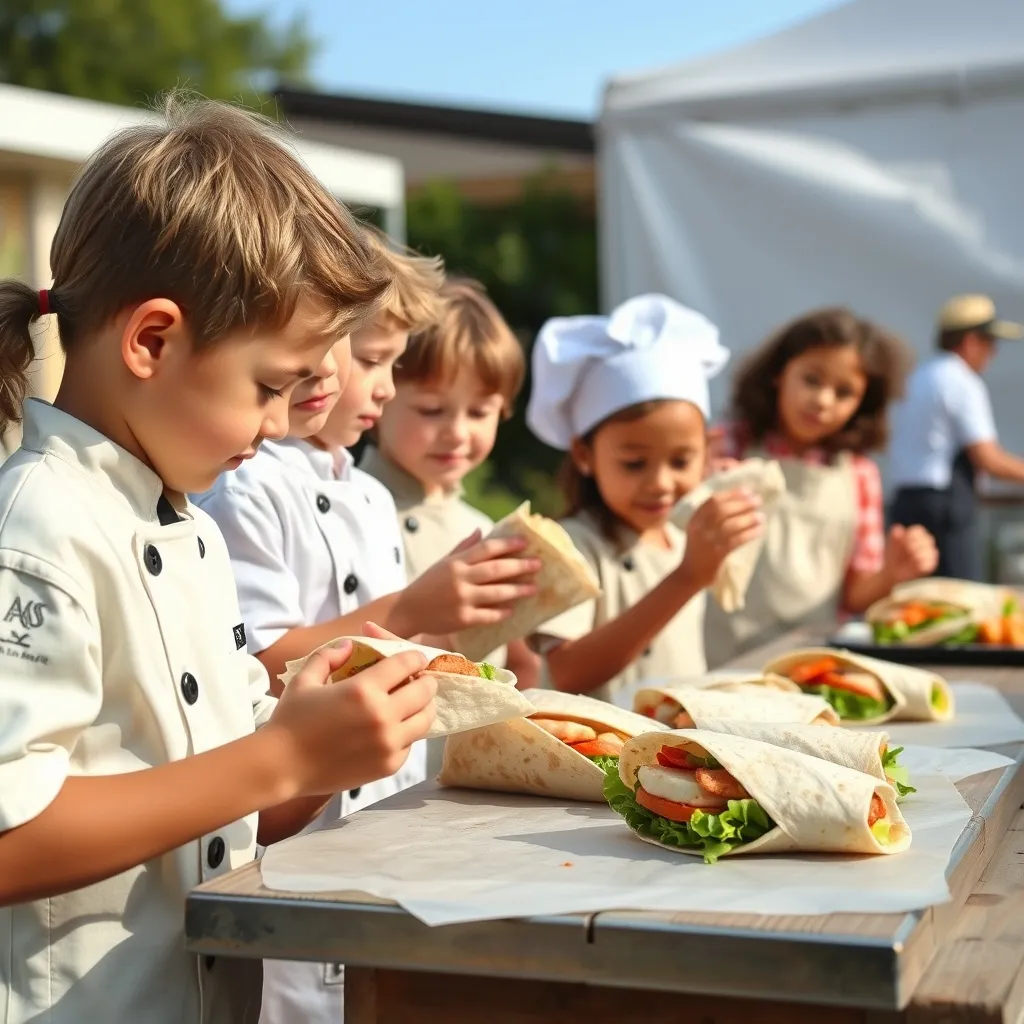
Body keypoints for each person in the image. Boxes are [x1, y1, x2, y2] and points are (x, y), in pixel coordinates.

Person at [0, 95, 438, 1024]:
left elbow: (224, 810)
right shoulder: (39, 523)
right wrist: (279, 758)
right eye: (270, 387)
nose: (281, 425)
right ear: (152, 339)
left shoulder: (188, 526)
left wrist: (317, 748)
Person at [198, 238, 540, 1024]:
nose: (386, 386)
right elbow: (260, 658)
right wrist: (416, 611)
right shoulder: (249, 484)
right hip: (295, 828)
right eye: (377, 360)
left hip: (383, 811)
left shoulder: (365, 494)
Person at [524, 293, 763, 707]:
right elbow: (568, 671)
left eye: (681, 460)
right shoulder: (570, 546)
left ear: (709, 450)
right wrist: (687, 578)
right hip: (600, 758)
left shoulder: (682, 533)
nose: (660, 483)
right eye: (634, 463)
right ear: (584, 455)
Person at [707, 307, 937, 666]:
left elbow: (857, 594)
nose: (823, 400)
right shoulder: (728, 447)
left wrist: (893, 572)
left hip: (809, 663)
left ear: (863, 405)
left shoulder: (860, 475)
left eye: (844, 392)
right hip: (719, 655)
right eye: (812, 379)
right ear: (778, 373)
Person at [360, 276, 540, 692]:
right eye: (432, 409)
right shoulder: (354, 505)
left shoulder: (483, 527)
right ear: (380, 395)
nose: (457, 432)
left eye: (479, 412)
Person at [889, 294, 1024, 580]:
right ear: (971, 341)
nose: (993, 353)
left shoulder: (918, 377)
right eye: (990, 343)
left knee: (914, 601)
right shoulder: (962, 381)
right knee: (960, 599)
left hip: (905, 504)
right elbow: (988, 458)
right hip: (945, 509)